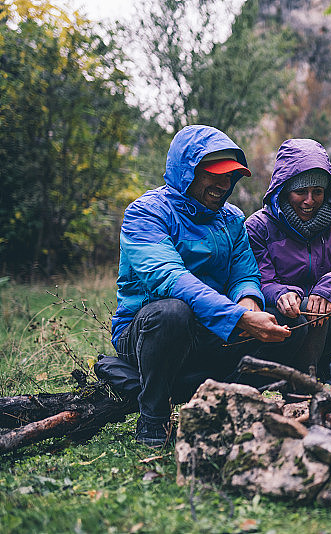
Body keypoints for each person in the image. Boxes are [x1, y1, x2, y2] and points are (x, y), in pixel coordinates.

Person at [104, 125, 290, 447]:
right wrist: (236, 317)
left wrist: (249, 304)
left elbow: (244, 275)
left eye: (229, 175)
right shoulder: (145, 213)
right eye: (212, 174)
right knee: (172, 313)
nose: (223, 184)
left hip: (209, 329)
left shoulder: (232, 219)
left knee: (285, 317)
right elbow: (172, 279)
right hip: (146, 330)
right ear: (186, 172)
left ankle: (234, 402)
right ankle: (154, 419)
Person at [245, 138, 331, 385]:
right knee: (305, 312)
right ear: (284, 190)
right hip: (287, 322)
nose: (310, 201)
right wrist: (281, 293)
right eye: (300, 192)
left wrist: (330, 285)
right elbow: (256, 279)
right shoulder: (258, 227)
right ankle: (301, 390)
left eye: (318, 192)